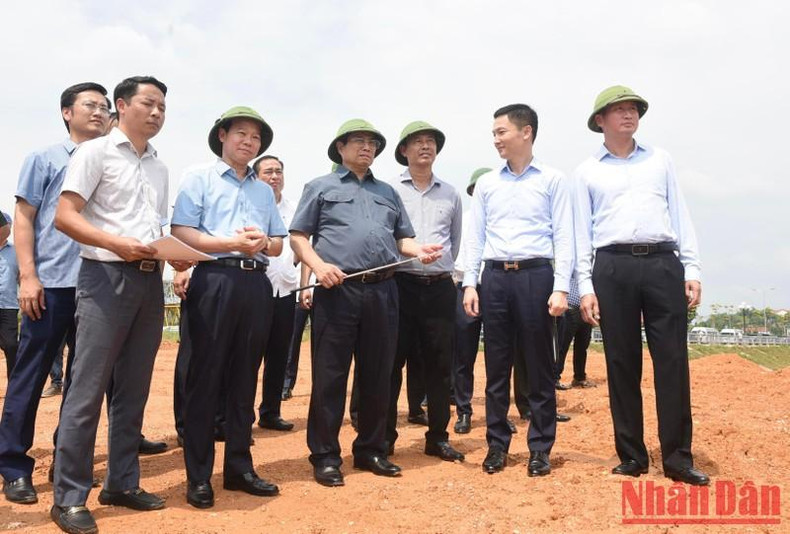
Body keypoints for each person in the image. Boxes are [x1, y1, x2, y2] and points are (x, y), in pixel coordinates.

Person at [52, 76, 186, 534]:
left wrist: (175, 254)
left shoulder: (159, 167)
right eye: (148, 103)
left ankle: (122, 483)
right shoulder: (95, 152)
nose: (156, 113)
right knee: (87, 391)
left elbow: (153, 227)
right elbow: (65, 216)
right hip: (105, 278)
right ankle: (69, 497)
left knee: (133, 389)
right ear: (122, 104)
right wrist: (116, 243)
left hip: (149, 282)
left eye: (163, 107)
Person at [289, 118, 442, 487]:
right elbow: (298, 236)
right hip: (337, 290)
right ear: (340, 148)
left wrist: (419, 250)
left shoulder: (387, 192)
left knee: (378, 374)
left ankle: (371, 449)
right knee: (331, 376)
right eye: (358, 141)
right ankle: (325, 455)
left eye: (373, 143)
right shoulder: (320, 187)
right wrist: (319, 266)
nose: (367, 148)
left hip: (384, 291)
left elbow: (402, 240)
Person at [574, 85, 709, 486]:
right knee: (621, 361)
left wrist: (692, 268)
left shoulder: (660, 161)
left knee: (672, 360)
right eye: (618, 111)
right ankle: (632, 455)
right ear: (600, 121)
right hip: (612, 266)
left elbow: (680, 213)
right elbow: (582, 231)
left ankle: (678, 458)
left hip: (663, 262)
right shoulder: (586, 171)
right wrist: (585, 285)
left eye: (633, 109)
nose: (628, 115)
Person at [0, 82, 110, 508]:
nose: (99, 112)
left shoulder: (112, 162)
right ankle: (12, 466)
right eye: (90, 105)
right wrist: (28, 275)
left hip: (100, 288)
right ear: (67, 113)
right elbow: (25, 219)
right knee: (29, 375)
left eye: (104, 106)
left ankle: (68, 464)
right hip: (51, 287)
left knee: (85, 384)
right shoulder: (43, 159)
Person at [172, 106, 287, 509]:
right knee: (205, 378)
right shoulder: (198, 177)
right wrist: (230, 244)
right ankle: (199, 475)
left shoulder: (262, 190)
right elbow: (181, 231)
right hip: (214, 280)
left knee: (244, 378)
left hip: (256, 284)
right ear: (222, 135)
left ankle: (239, 468)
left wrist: (261, 243)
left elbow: (277, 242)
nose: (248, 142)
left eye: (255, 138)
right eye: (241, 133)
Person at [463, 104, 572, 477]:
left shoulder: (553, 180)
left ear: (526, 133)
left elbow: (564, 237)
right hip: (494, 278)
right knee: (496, 366)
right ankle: (496, 445)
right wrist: (469, 283)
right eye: (494, 133)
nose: (496, 140)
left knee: (539, 366)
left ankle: (540, 448)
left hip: (536, 276)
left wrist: (561, 288)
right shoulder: (489, 184)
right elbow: (475, 238)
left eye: (501, 132)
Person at [386, 121, 464, 462]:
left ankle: (438, 436)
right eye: (417, 142)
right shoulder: (389, 191)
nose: (425, 147)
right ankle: (384, 438)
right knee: (391, 364)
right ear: (404, 150)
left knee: (439, 364)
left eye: (431, 141)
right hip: (400, 285)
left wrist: (439, 266)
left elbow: (455, 242)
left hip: (439, 288)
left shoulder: (451, 193)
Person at [253, 154, 297, 431]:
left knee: (279, 354)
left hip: (287, 289)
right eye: (268, 171)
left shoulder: (294, 208)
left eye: (279, 171)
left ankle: (271, 411)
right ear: (256, 176)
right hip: (257, 289)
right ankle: (241, 416)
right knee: (249, 355)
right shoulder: (252, 205)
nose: (274, 176)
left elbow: (304, 245)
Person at [452, 168, 487, 435]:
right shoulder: (462, 220)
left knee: (500, 355)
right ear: (472, 192)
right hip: (464, 288)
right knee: (464, 353)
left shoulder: (503, 221)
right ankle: (463, 410)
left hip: (497, 288)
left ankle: (498, 411)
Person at [554, 274, 594, 388]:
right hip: (569, 310)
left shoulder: (589, 269)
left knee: (582, 347)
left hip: (585, 311)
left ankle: (579, 377)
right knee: (562, 346)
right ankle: (555, 378)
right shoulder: (570, 264)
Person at [0, 212, 19, 380]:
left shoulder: (16, 252)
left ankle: (14, 384)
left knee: (12, 346)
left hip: (9, 307)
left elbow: (24, 278)